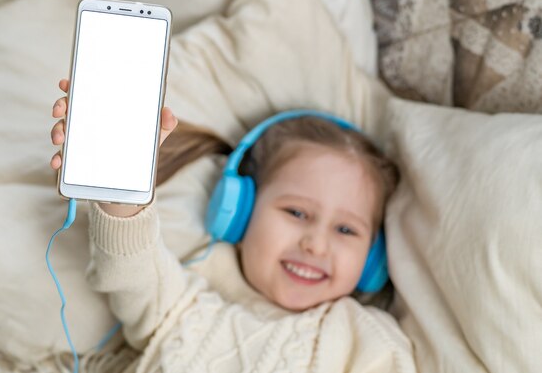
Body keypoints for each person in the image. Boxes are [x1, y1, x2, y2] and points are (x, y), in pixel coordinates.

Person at [50, 78, 416, 373]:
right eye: (297, 213)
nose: (316, 245)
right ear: (238, 212)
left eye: (346, 230)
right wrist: (122, 188)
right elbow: (131, 269)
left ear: (374, 258)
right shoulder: (183, 304)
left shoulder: (369, 341)